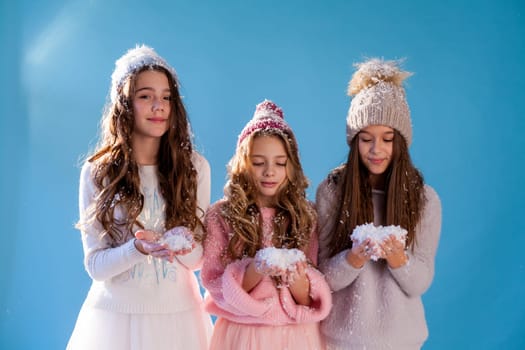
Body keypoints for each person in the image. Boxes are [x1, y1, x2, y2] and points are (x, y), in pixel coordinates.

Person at [67, 45, 212, 350]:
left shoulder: (195, 168)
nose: (158, 106)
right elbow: (96, 265)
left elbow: (198, 259)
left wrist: (178, 242)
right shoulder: (98, 172)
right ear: (124, 104)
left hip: (179, 319)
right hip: (114, 320)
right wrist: (137, 248)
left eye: (166, 97)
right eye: (146, 96)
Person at [316, 58, 442, 350]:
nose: (377, 150)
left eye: (387, 139)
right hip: (340, 340)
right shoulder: (332, 192)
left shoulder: (425, 200)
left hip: (402, 341)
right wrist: (354, 259)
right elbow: (323, 276)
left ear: (401, 142)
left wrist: (398, 259)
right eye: (366, 139)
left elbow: (420, 281)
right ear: (353, 141)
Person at [201, 100, 332, 349]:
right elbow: (216, 284)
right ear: (243, 164)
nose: (269, 172)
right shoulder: (222, 216)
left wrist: (297, 279)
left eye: (280, 163)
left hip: (298, 338)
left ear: (291, 166)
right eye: (259, 163)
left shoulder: (306, 216)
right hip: (241, 336)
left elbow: (306, 299)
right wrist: (256, 269)